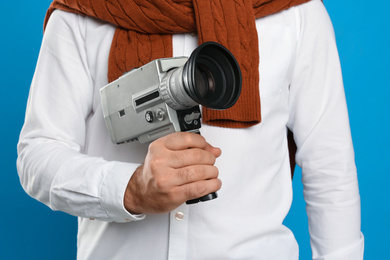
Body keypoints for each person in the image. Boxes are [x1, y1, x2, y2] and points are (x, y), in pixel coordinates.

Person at [17, 0, 364, 259]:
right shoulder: (82, 13)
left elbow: (330, 167)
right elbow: (37, 154)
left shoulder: (295, 14)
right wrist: (131, 189)